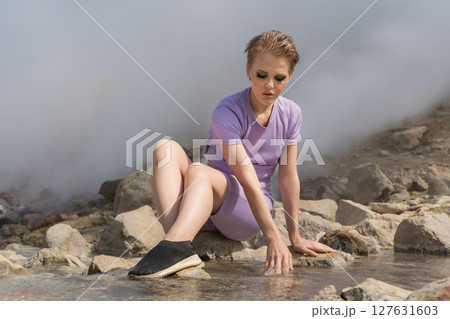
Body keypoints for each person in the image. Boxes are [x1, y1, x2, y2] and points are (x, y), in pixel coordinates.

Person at [128, 30, 335, 279]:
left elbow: (286, 177)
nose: (270, 85)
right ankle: (176, 244)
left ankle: (175, 248)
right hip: (201, 204)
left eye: (279, 78)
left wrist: (290, 236)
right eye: (262, 75)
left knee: (199, 172)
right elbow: (237, 172)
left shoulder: (291, 113)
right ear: (248, 70)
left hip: (245, 213)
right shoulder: (227, 112)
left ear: (290, 76)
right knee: (165, 148)